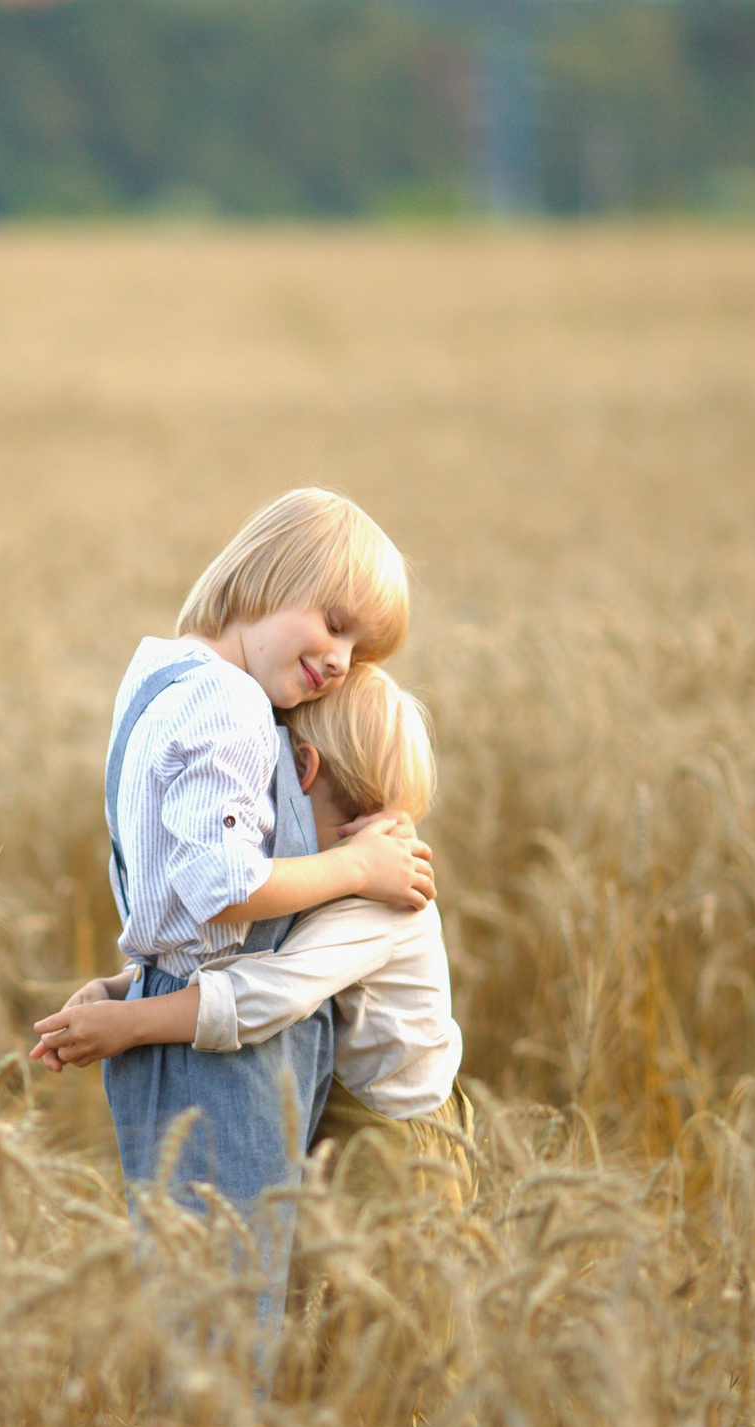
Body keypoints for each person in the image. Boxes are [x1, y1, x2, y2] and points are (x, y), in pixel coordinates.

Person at [65, 487, 434, 1351]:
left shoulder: (154, 674)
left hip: (172, 1004)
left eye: (357, 646)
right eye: (334, 622)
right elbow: (220, 887)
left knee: (190, 1296)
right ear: (269, 575)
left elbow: (162, 877)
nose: (341, 658)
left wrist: (132, 986)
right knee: (228, 1314)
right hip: (220, 1050)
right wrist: (355, 866)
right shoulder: (229, 704)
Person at [32, 664, 465, 1209]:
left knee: (356, 1293)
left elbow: (267, 990)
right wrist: (117, 989)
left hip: (394, 1152)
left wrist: (130, 1024)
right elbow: (256, 955)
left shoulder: (380, 897)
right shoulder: (330, 872)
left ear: (300, 771)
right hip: (343, 1122)